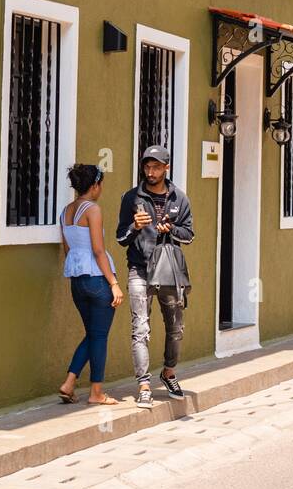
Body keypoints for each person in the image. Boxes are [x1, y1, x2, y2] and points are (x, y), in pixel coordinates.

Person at [116, 145, 194, 408]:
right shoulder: (131, 198)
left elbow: (190, 235)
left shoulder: (179, 199)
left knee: (176, 329)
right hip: (140, 270)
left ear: (166, 168)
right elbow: (120, 237)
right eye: (147, 167)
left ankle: (169, 372)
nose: (150, 172)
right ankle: (144, 385)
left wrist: (171, 230)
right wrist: (134, 227)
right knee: (141, 328)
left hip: (170, 273)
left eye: (156, 167)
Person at [58, 163, 124, 405]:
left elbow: (68, 249)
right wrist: (114, 283)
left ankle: (69, 383)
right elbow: (98, 250)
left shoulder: (65, 211)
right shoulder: (93, 210)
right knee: (99, 336)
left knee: (93, 334)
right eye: (101, 184)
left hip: (78, 282)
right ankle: (96, 393)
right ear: (95, 185)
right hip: (98, 280)